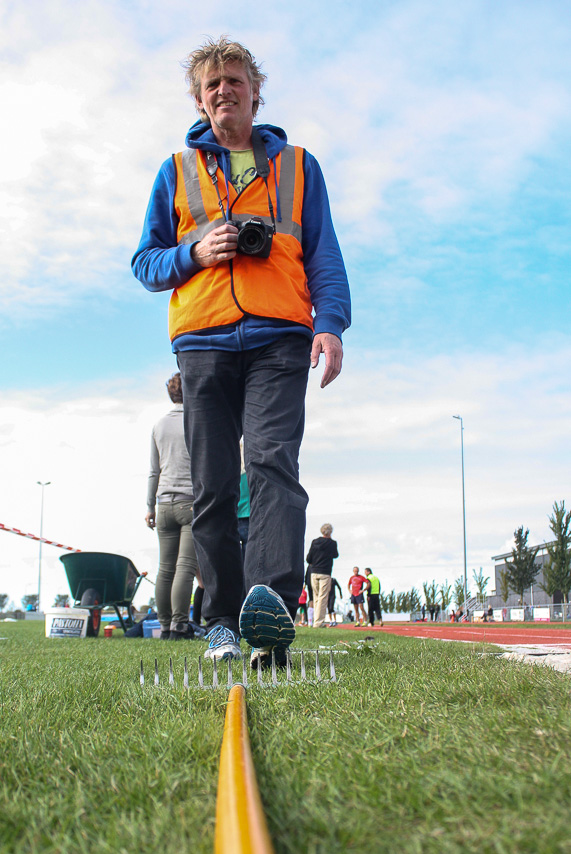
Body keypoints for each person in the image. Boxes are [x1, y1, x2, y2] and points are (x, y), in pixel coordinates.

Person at [132, 37, 351, 668]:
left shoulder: (299, 166)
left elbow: (324, 255)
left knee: (273, 464)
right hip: (202, 342)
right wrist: (193, 253)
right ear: (199, 100)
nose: (224, 89)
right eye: (212, 84)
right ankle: (221, 620)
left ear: (256, 92)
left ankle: (272, 611)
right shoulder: (175, 171)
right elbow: (144, 263)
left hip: (280, 338)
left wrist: (330, 324)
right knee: (214, 485)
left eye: (235, 79)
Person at [145, 374, 198, 640]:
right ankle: (180, 626)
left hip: (163, 503)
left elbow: (153, 471)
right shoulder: (196, 421)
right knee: (185, 566)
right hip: (190, 502)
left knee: (165, 567)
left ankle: (163, 626)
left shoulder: (159, 425)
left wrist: (149, 506)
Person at [306, 524, 339, 627]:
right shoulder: (332, 543)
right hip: (325, 572)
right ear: (330, 532)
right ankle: (318, 622)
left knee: (316, 597)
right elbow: (335, 555)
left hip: (314, 572)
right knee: (322, 597)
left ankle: (315, 621)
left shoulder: (315, 542)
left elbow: (308, 559)